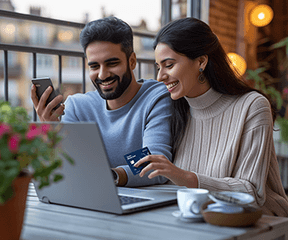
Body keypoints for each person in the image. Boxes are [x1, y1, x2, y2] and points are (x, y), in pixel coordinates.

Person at [135, 17, 288, 216]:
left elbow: (252, 193)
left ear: (201, 61)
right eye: (158, 67)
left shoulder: (252, 106)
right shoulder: (173, 109)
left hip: (258, 222)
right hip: (196, 218)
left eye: (169, 65)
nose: (160, 76)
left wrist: (184, 177)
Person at [31, 16, 172, 187]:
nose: (102, 75)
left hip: (143, 203)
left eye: (112, 63)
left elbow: (155, 164)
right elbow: (67, 169)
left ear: (132, 61)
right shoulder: (77, 107)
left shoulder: (156, 97)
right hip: (89, 199)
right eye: (94, 66)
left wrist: (110, 176)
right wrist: (51, 135)